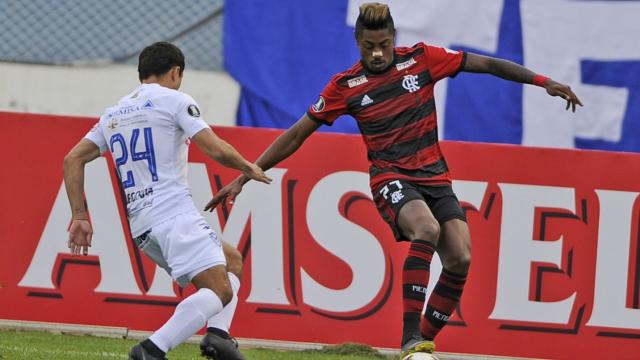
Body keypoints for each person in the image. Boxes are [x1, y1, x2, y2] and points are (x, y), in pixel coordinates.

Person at [204, 2, 583, 358]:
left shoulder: (422, 60)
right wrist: (247, 173)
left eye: (384, 45)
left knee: (460, 258)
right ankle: (409, 337)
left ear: (394, 38)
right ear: (358, 43)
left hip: (436, 177)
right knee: (426, 229)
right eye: (369, 47)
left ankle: (420, 348)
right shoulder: (346, 87)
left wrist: (541, 81)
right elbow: (297, 133)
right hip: (391, 178)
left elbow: (483, 63)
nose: (378, 54)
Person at [63, 41, 271, 360]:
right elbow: (213, 147)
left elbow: (72, 159)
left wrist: (79, 215)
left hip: (143, 228)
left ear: (142, 73)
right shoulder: (175, 101)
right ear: (175, 72)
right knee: (219, 290)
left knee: (232, 260)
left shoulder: (114, 113)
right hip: (173, 215)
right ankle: (152, 349)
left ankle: (219, 336)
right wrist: (247, 166)